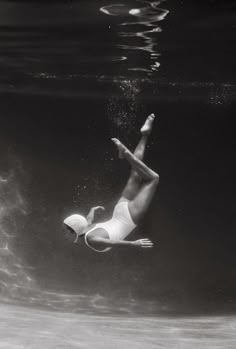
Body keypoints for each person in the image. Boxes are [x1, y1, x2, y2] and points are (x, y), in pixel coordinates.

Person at [63, 113, 159, 252]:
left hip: (129, 218)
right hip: (119, 210)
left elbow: (113, 242)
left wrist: (134, 244)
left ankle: (126, 154)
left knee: (154, 179)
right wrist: (92, 211)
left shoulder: (90, 239)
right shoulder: (88, 226)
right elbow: (89, 221)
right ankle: (144, 135)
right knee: (135, 174)